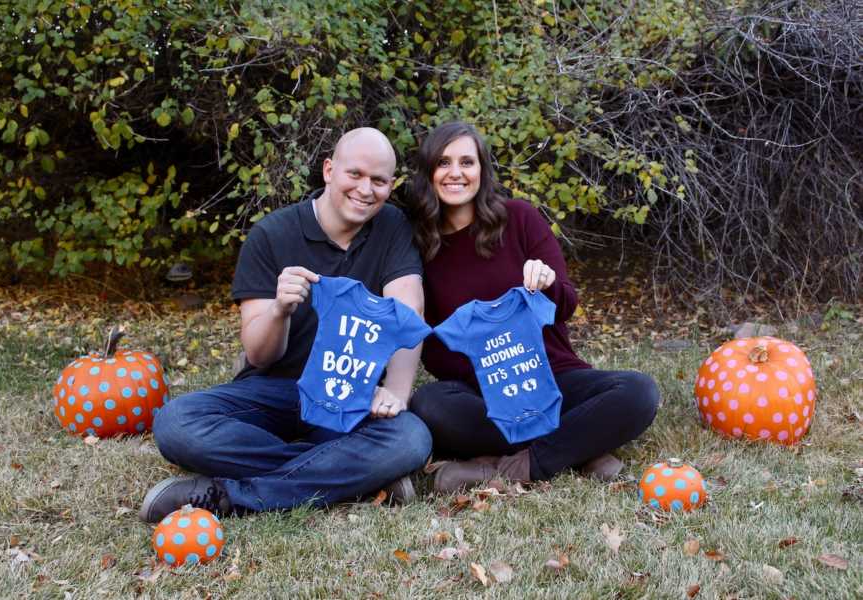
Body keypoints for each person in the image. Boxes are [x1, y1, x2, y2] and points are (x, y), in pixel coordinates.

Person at [139, 128, 432, 522]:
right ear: (329, 170)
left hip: (348, 394)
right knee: (175, 423)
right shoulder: (271, 235)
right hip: (273, 392)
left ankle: (234, 496)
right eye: (355, 174)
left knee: (411, 438)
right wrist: (279, 310)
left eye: (379, 181)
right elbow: (260, 353)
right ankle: (353, 475)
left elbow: (407, 309)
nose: (366, 189)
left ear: (390, 185)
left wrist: (397, 392)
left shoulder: (392, 226)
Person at [406, 122, 659, 492]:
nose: (456, 173)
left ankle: (514, 468)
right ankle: (581, 448)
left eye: (467, 162)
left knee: (639, 392)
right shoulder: (422, 248)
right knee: (430, 403)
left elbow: (567, 304)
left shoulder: (519, 218)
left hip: (555, 377)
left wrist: (548, 283)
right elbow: (434, 355)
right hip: (483, 393)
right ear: (429, 172)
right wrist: (486, 347)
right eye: (443, 163)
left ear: (482, 170)